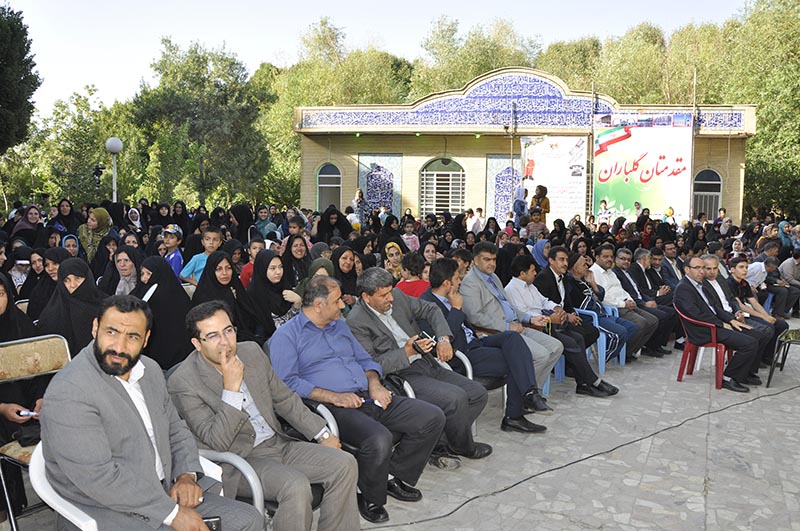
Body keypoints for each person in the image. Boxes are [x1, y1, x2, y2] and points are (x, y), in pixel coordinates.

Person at [40, 295, 263, 531]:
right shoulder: (69, 390)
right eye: (112, 332)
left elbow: (176, 430)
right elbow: (97, 478)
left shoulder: (150, 371)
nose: (119, 347)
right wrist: (172, 514)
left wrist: (185, 475)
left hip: (164, 491)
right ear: (95, 328)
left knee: (248, 520)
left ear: (146, 339)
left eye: (132, 336)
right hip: (108, 510)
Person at [168, 301, 359, 531]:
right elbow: (218, 442)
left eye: (228, 331)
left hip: (277, 443)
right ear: (197, 344)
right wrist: (231, 389)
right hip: (238, 460)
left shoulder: (251, 352)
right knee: (295, 485)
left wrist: (322, 434)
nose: (225, 342)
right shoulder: (184, 382)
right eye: (213, 336)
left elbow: (284, 398)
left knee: (345, 463)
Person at [269, 276, 445, 524]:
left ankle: (389, 476)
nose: (343, 305)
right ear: (318, 305)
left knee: (431, 417)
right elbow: (285, 384)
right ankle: (369, 495)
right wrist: (334, 397)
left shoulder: (339, 326)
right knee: (379, 439)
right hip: (330, 407)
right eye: (337, 301)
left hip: (367, 396)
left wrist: (375, 384)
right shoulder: (287, 336)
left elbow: (366, 361)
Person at [347, 267, 492, 461]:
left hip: (427, 361)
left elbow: (431, 309)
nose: (390, 298)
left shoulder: (397, 296)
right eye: (383, 295)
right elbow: (371, 364)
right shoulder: (356, 321)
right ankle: (464, 447)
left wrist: (443, 339)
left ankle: (441, 442)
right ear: (366, 297)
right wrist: (407, 352)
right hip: (401, 374)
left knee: (478, 393)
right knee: (455, 398)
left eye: (390, 291)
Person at [422, 258, 549, 433]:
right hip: (462, 354)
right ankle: (515, 415)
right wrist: (456, 309)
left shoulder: (451, 296)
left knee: (512, 338)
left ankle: (530, 394)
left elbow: (466, 325)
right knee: (515, 361)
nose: (460, 282)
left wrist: (475, 332)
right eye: (457, 278)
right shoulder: (427, 305)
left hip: (475, 342)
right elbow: (442, 341)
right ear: (446, 283)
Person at [509, 252, 617, 397]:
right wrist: (549, 318)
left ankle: (583, 384)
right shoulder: (512, 290)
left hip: (547, 323)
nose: (535, 273)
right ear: (522, 273)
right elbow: (524, 315)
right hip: (536, 328)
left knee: (579, 338)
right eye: (533, 270)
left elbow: (544, 301)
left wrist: (557, 308)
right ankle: (593, 381)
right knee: (570, 343)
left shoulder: (530, 286)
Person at [459, 242, 563, 392]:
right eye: (487, 259)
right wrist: (508, 327)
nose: (492, 263)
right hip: (497, 332)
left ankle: (532, 391)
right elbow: (475, 317)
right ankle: (525, 394)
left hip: (516, 325)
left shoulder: (493, 277)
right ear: (475, 260)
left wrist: (529, 319)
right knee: (541, 355)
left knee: (556, 347)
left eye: (494, 259)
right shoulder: (470, 283)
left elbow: (509, 306)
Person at [674, 258, 760, 392]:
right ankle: (727, 378)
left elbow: (715, 308)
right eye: (697, 268)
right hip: (704, 329)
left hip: (714, 323)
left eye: (702, 267)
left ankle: (744, 373)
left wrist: (731, 320)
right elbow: (695, 314)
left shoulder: (700, 284)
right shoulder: (683, 288)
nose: (701, 271)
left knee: (757, 335)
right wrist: (721, 324)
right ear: (687, 270)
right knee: (749, 343)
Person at [590, 244, 662, 357]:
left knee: (653, 321)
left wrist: (630, 300)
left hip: (627, 304)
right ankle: (622, 353)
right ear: (597, 257)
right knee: (641, 324)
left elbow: (621, 289)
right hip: (615, 307)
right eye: (605, 257)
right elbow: (603, 298)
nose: (609, 259)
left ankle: (629, 351)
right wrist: (624, 304)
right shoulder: (593, 273)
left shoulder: (610, 272)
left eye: (611, 256)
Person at [132, 256, 194, 370]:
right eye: (142, 274)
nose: (144, 278)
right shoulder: (147, 290)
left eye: (149, 274)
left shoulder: (160, 295)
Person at [193, 251, 266, 344]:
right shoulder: (203, 296)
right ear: (211, 271)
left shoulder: (236, 288)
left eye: (228, 268)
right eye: (218, 269)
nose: (225, 273)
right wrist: (228, 299)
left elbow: (252, 317)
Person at [37, 258, 107, 354]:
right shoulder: (51, 314)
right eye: (66, 280)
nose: (73, 285)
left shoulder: (106, 306)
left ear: (88, 278)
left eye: (77, 278)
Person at [247, 249, 302, 339]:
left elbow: (299, 324)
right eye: (273, 268)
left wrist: (298, 302)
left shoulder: (285, 286)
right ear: (262, 269)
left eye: (280, 267)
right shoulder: (254, 294)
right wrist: (296, 305)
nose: (278, 272)